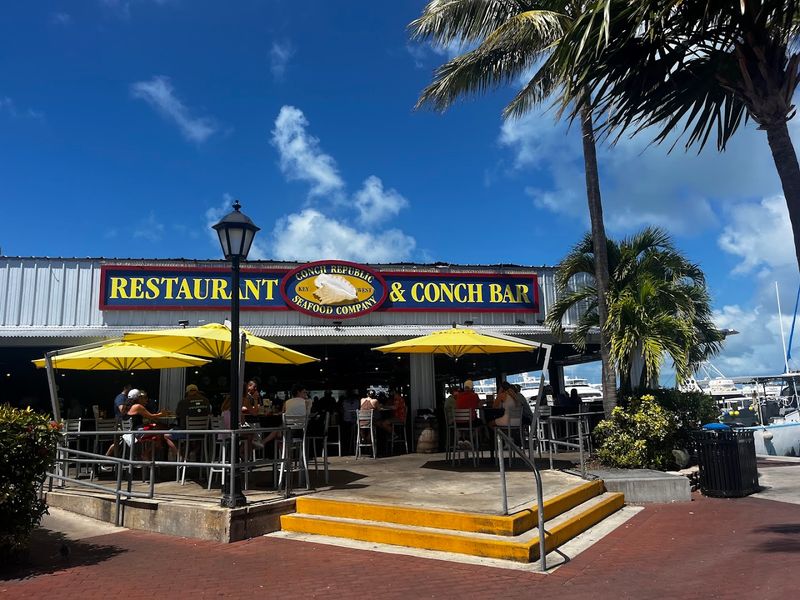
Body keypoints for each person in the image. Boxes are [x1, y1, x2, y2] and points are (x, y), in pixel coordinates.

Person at [126, 389, 179, 461]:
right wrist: (162, 414)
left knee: (160, 432)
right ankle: (148, 453)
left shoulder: (129, 407)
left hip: (132, 431)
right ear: (137, 398)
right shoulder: (138, 406)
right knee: (162, 434)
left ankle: (151, 452)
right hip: (137, 432)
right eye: (141, 397)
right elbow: (152, 416)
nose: (144, 399)